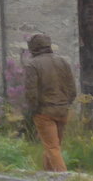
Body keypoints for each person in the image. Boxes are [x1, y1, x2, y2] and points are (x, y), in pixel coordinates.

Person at [23, 33, 77, 172]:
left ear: (33, 48)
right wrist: (66, 103)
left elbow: (31, 92)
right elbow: (72, 89)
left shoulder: (32, 65)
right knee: (53, 146)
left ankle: (64, 178)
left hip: (44, 111)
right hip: (63, 110)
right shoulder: (63, 62)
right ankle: (47, 176)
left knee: (52, 148)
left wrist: (33, 110)